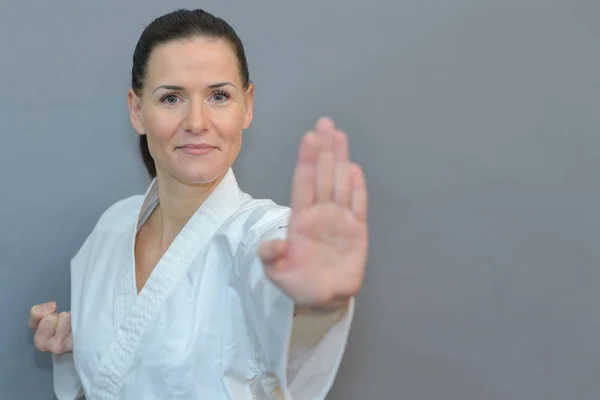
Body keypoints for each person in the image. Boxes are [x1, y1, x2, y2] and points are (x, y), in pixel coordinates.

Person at [28, 8, 368, 400]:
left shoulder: (260, 237)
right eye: (171, 98)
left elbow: (280, 289)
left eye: (219, 96)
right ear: (137, 110)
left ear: (248, 104)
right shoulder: (112, 226)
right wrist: (85, 337)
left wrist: (319, 302)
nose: (196, 121)